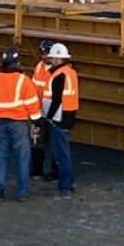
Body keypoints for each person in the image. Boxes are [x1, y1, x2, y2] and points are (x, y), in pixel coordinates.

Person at [0, 48, 41, 199]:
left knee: (2, 157)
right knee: (22, 158)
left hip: (0, 123)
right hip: (19, 124)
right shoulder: (24, 80)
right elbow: (32, 104)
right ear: (17, 63)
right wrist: (36, 121)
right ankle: (22, 192)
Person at [40, 41, 80, 195]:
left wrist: (48, 117)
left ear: (58, 59)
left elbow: (56, 100)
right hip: (68, 116)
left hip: (59, 118)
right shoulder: (71, 72)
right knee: (63, 153)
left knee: (61, 154)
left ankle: (65, 186)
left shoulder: (59, 75)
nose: (51, 61)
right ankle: (69, 182)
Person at [30, 40, 54, 180]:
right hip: (38, 111)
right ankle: (37, 169)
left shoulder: (57, 70)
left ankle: (54, 172)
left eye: (47, 53)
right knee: (37, 142)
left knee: (54, 145)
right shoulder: (39, 67)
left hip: (53, 113)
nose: (45, 56)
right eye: (43, 53)